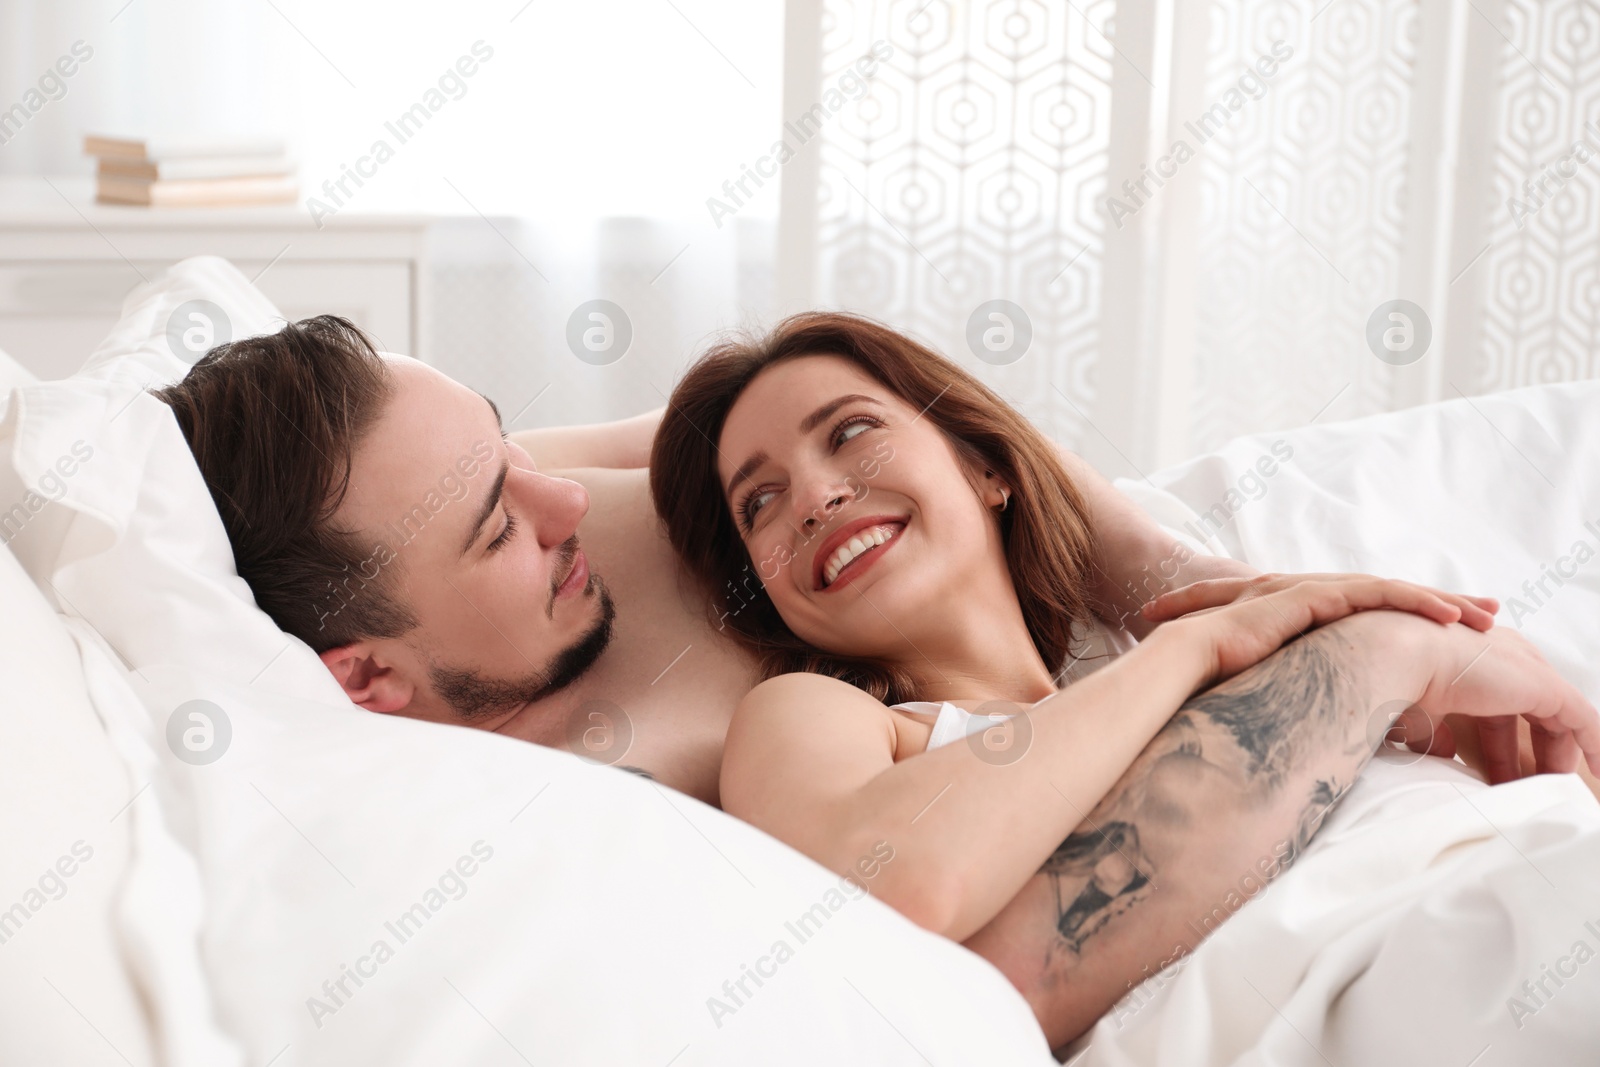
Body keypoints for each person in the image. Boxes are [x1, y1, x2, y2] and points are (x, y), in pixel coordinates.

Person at [648, 311, 1600, 1047]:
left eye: (851, 432)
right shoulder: (809, 715)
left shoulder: (1188, 630)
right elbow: (884, 889)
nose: (814, 497)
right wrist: (1200, 650)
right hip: (1395, 978)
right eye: (759, 501)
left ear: (988, 468)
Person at [153, 312, 1294, 804]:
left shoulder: (457, 493)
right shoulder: (573, 805)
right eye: (500, 528)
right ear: (366, 679)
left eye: (506, 445)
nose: (564, 503)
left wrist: (1166, 573)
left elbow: (863, 403)